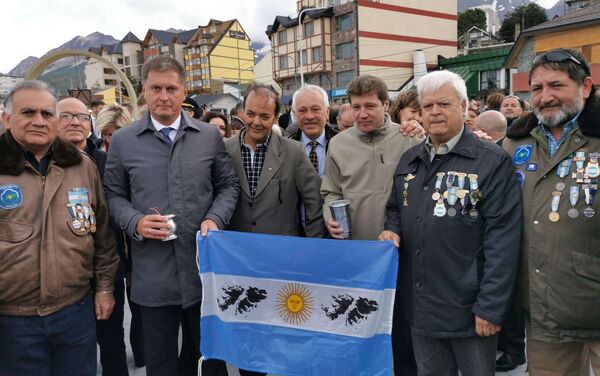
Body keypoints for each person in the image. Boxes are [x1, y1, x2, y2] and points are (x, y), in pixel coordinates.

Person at [379, 70, 522, 376]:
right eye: (427, 106)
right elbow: (396, 206)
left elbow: (503, 239)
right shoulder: (410, 160)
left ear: (464, 106)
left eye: (443, 104)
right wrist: (392, 227)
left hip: (470, 310)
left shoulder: (491, 161)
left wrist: (491, 307)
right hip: (420, 306)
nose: (434, 112)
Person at [103, 55, 239, 376]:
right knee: (161, 364)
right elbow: (113, 195)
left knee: (210, 362)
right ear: (144, 93)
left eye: (171, 88)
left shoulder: (207, 137)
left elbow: (228, 185)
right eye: (156, 88)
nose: (164, 96)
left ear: (183, 91)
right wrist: (135, 221)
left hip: (202, 274)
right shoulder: (124, 141)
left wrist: (215, 219)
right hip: (153, 278)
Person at [0, 80, 119, 376]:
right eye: (28, 112)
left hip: (74, 313)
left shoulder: (82, 165)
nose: (39, 121)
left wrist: (104, 288)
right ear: (7, 118)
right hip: (11, 319)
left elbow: (102, 235)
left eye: (47, 113)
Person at [502, 48, 600, 375]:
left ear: (585, 87)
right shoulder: (515, 142)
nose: (545, 97)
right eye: (536, 89)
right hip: (544, 307)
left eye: (556, 86)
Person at [321, 75, 423, 376]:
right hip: (358, 255)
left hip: (403, 253)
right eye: (356, 107)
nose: (362, 113)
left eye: (370, 106)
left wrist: (423, 130)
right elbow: (331, 191)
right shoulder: (338, 144)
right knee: (360, 327)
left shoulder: (409, 138)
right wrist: (330, 216)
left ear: (386, 105)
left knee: (404, 332)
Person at [57, 97, 129, 376]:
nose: (75, 122)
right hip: (66, 276)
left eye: (82, 117)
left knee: (112, 344)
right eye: (66, 116)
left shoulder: (106, 162)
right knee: (72, 352)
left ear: (90, 124)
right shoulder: (41, 164)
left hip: (107, 268)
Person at [288, 84, 338, 177]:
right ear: (295, 114)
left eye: (315, 109)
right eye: (302, 110)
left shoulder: (341, 144)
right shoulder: (285, 149)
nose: (309, 116)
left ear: (327, 112)